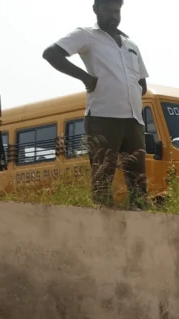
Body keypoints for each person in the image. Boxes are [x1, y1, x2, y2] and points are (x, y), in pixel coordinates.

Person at [44, 0, 149, 208]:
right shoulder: (87, 35)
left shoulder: (131, 45)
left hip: (134, 120)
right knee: (103, 178)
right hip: (103, 117)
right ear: (95, 10)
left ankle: (141, 225)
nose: (113, 15)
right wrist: (85, 78)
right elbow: (51, 54)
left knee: (138, 182)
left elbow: (142, 82)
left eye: (117, 10)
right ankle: (102, 228)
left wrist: (132, 92)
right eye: (108, 9)